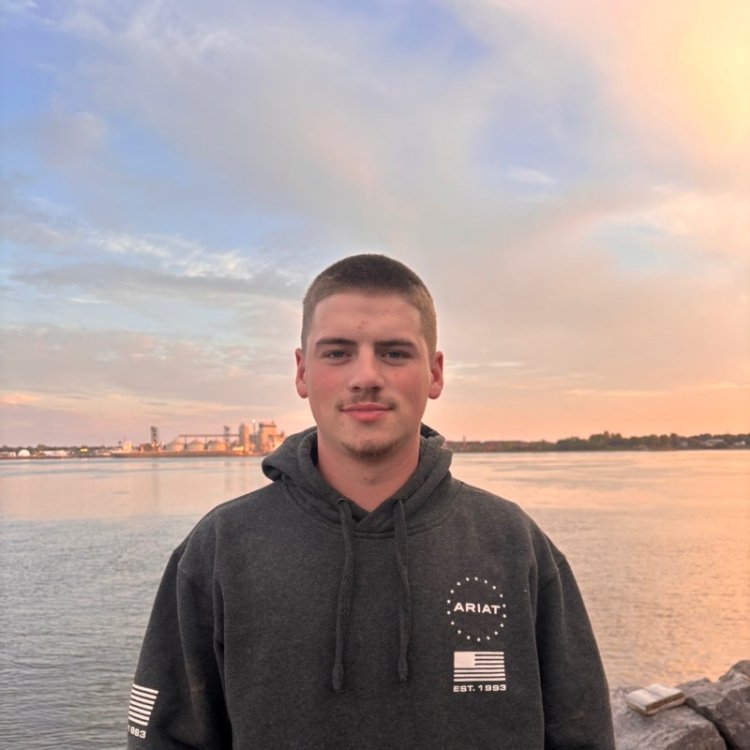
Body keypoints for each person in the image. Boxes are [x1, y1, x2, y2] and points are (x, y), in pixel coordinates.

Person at [127, 254, 615, 749]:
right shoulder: (221, 549)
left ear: (435, 373)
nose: (365, 376)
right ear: (302, 372)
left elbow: (584, 735)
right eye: (337, 353)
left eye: (394, 353)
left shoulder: (514, 545)